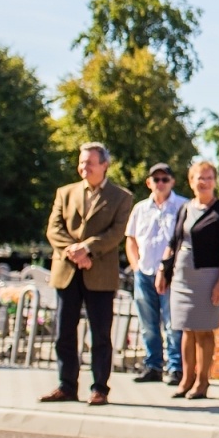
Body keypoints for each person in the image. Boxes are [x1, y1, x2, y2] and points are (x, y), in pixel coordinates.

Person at [39, 143, 133, 405]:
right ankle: (66, 386)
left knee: (100, 334)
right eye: (81, 162)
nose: (84, 167)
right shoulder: (65, 192)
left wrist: (88, 249)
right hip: (67, 270)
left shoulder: (121, 197)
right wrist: (73, 251)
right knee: (64, 332)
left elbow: (116, 232)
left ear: (104, 165)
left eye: (90, 163)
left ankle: (100, 388)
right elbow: (54, 228)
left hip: (99, 272)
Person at [158, 161, 219, 399]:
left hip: (207, 276)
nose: (205, 182)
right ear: (191, 181)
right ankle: (186, 379)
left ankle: (202, 381)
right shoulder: (185, 208)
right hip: (182, 276)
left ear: (215, 181)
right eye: (200, 178)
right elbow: (174, 242)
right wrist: (163, 270)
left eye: (209, 178)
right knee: (186, 329)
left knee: (203, 330)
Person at [124, 162, 186, 384]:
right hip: (145, 271)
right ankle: (153, 365)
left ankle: (176, 367)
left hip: (172, 274)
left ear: (172, 182)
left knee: (173, 323)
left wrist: (171, 269)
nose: (160, 183)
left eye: (164, 179)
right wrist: (136, 266)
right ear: (148, 182)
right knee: (148, 324)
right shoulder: (140, 208)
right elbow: (131, 239)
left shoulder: (182, 206)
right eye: (156, 179)